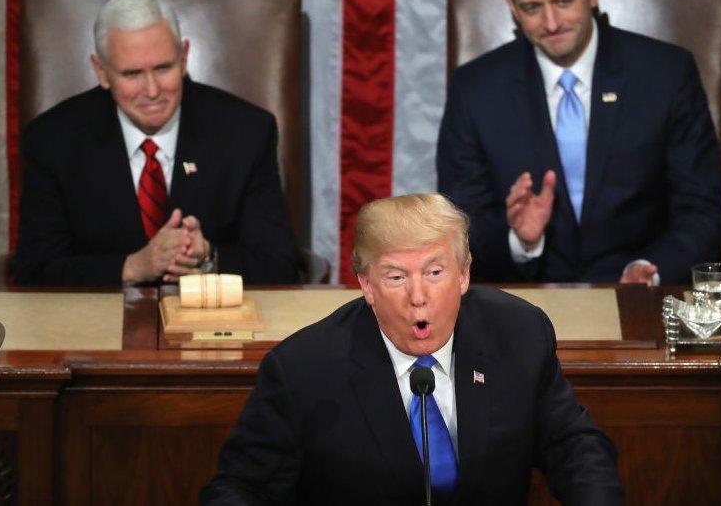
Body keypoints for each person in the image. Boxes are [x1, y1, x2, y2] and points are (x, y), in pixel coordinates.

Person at [199, 193, 622, 505]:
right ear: (366, 285)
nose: (418, 297)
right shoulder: (304, 369)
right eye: (396, 277)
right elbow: (239, 488)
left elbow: (573, 447)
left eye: (435, 272)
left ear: (463, 275)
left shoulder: (518, 334)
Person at [436, 0, 721, 285]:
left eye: (563, 2)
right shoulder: (475, 89)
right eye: (533, 7)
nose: (551, 23)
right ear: (512, 7)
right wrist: (521, 241)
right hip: (523, 300)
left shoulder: (665, 74)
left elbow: (703, 210)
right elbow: (460, 220)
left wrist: (652, 269)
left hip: (640, 299)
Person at [13, 0, 300, 286]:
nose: (152, 91)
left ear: (184, 57)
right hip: (96, 325)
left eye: (163, 68)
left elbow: (280, 264)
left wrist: (209, 259)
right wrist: (133, 267)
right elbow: (34, 270)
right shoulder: (53, 141)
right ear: (102, 72)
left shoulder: (245, 132)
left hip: (209, 324)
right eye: (132, 74)